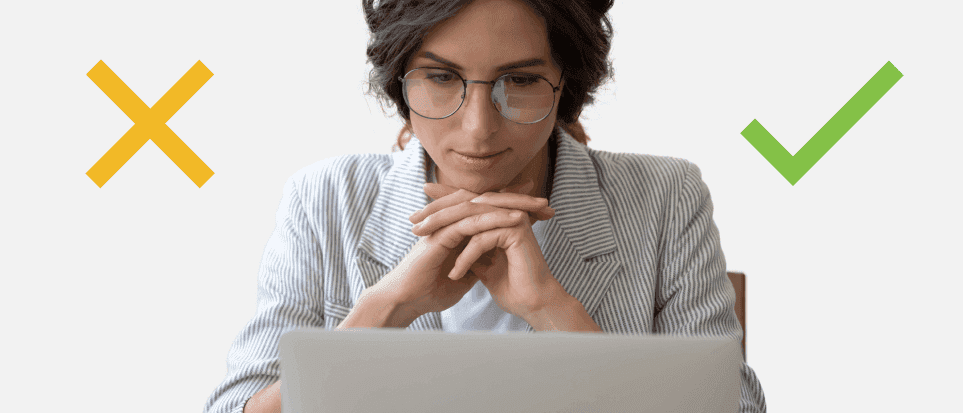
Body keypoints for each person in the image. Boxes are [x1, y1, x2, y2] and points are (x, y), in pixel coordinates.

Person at [204, 0, 768, 412]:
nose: (477, 129)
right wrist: (388, 306)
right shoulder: (324, 198)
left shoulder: (664, 197)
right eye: (442, 77)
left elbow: (735, 408)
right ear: (399, 83)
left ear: (565, 83)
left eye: (520, 79)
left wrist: (552, 310)